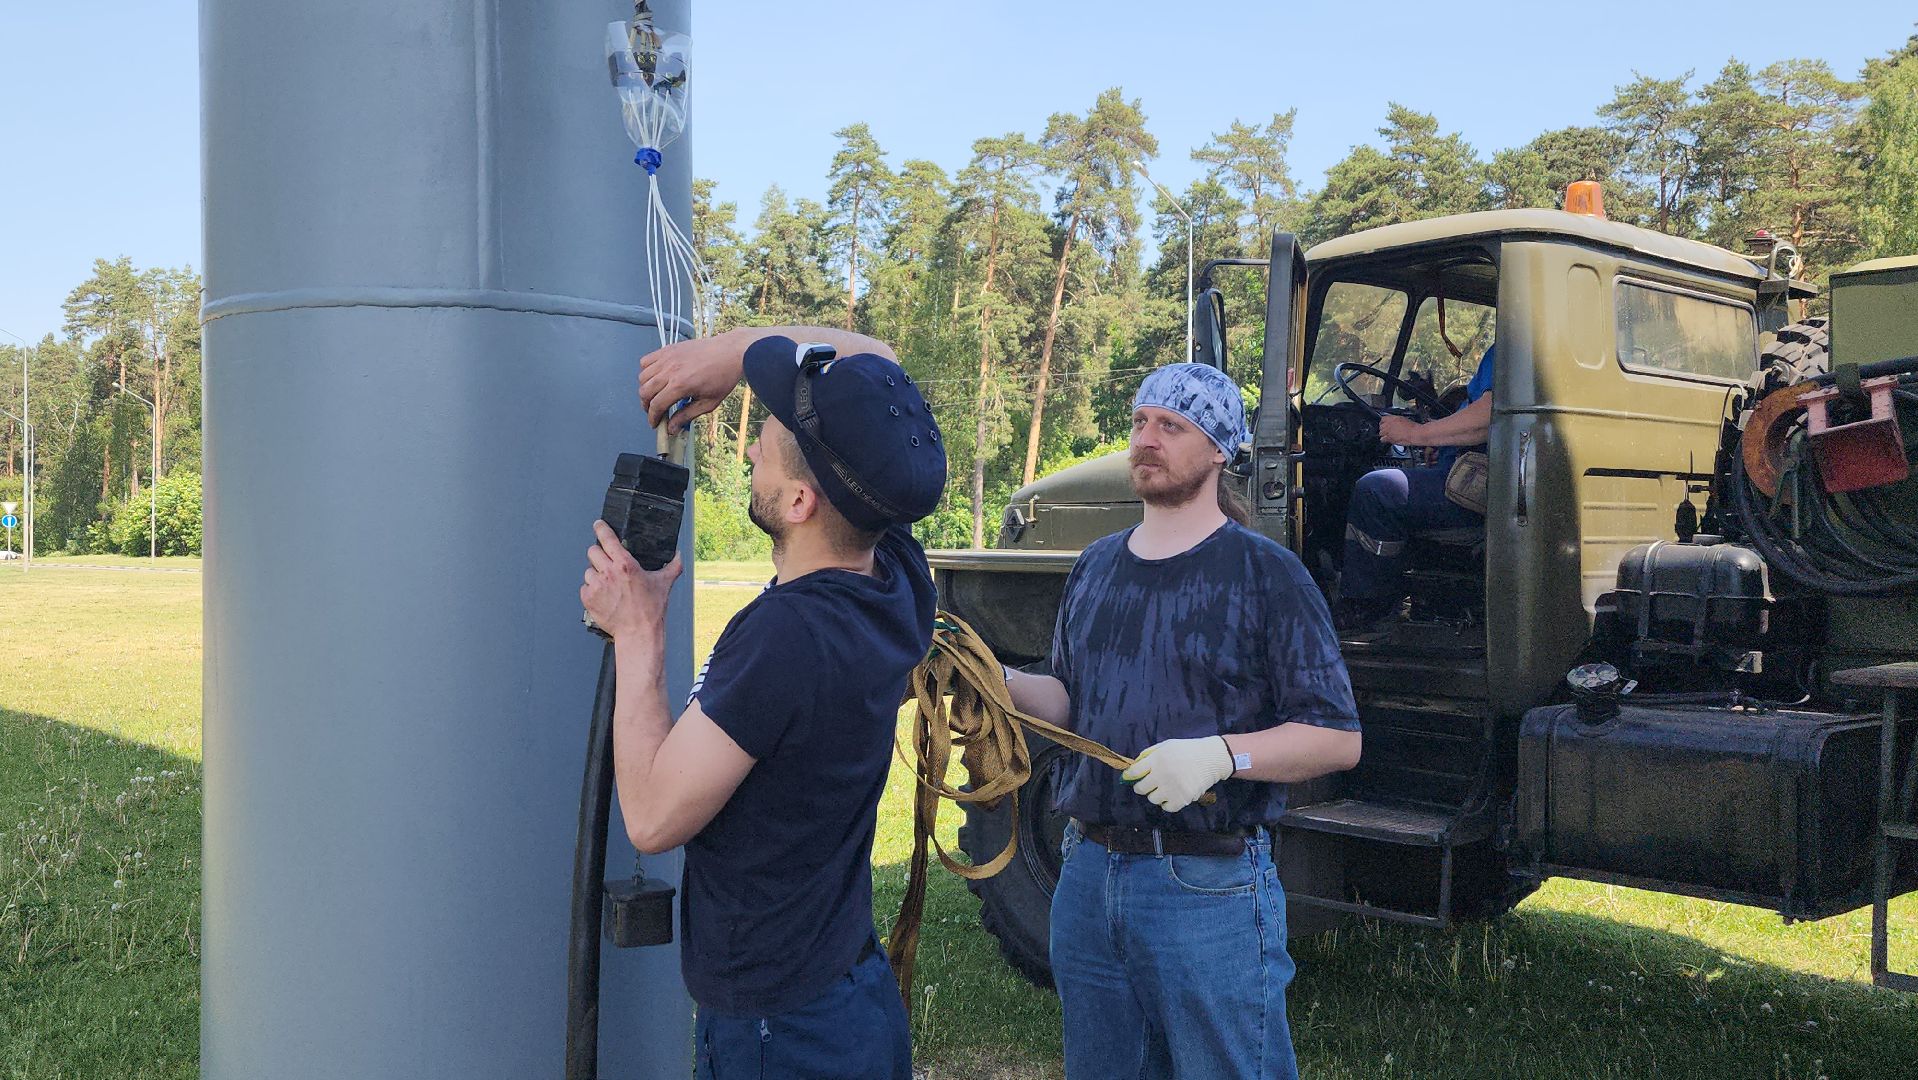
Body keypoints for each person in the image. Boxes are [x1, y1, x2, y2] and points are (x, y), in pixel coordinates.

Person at [581, 324, 945, 1080]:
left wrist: (639, 629)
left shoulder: (787, 639)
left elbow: (651, 818)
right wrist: (736, 358)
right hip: (846, 993)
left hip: (782, 1033)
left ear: (802, 500)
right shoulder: (898, 578)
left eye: (768, 443)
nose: (749, 449)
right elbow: (881, 366)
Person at [1000, 362, 1362, 1080]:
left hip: (1206, 886)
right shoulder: (1095, 567)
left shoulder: (1266, 573)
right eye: (1139, 422)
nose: (1147, 438)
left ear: (1220, 448)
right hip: (1087, 874)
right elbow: (1070, 704)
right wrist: (995, 680)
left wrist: (1222, 756)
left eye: (1172, 425)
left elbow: (1337, 737)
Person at [1335, 344, 1496, 634]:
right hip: (1465, 476)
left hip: (1474, 494)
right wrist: (1443, 440)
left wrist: (1415, 434)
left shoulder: (1510, 347)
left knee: (1376, 490)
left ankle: (1367, 605)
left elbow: (1489, 416)